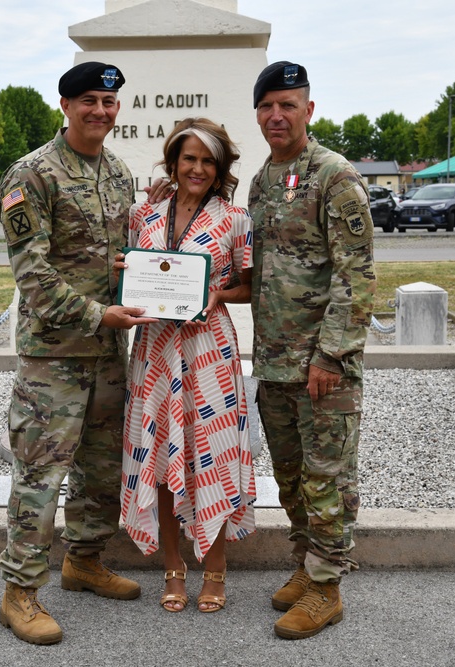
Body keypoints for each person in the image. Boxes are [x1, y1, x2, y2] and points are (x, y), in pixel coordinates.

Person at [0, 61, 156, 646]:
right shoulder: (30, 175)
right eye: (89, 101)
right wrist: (97, 313)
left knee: (101, 467)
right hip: (54, 357)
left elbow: (122, 252)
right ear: (65, 105)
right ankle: (20, 592)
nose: (101, 111)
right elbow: (32, 274)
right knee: (41, 474)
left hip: (109, 351)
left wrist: (142, 265)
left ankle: (83, 560)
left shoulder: (117, 172)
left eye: (110, 103)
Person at [249, 62, 376, 640]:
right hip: (274, 362)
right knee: (291, 475)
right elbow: (256, 270)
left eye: (288, 104)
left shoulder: (334, 176)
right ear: (258, 113)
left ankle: (327, 589)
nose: (278, 115)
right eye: (268, 105)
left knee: (327, 479)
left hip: (321, 366)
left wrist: (331, 356)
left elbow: (357, 274)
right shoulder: (263, 180)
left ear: (309, 110)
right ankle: (306, 565)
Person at [119, 118, 257, 614]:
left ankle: (215, 569)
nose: (196, 168)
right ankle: (173, 570)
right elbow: (132, 271)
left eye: (207, 160)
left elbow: (248, 284)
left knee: (212, 457)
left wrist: (218, 291)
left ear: (218, 168)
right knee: (159, 459)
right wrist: (128, 278)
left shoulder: (233, 218)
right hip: (155, 348)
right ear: (173, 162)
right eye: (188, 158)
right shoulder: (145, 215)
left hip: (208, 351)